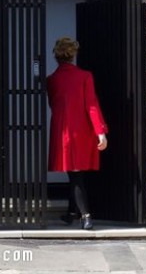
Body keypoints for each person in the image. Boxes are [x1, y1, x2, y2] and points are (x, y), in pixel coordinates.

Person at [46, 36, 108, 230]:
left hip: (60, 130)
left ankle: (77, 214)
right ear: (73, 55)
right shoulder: (85, 76)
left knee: (73, 173)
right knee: (77, 174)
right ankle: (83, 214)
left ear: (56, 56)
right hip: (81, 130)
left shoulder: (51, 80)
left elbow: (53, 105)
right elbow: (92, 105)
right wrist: (100, 132)